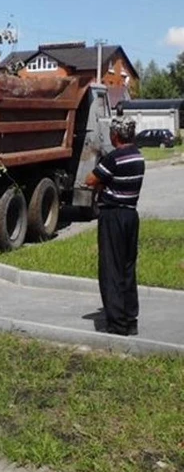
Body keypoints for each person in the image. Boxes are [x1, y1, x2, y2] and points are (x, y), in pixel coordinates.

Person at [85, 117, 145, 336]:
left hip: (113, 217)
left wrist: (101, 180)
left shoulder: (114, 158)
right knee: (128, 268)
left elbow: (90, 180)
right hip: (131, 215)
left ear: (116, 136)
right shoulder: (138, 156)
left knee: (111, 269)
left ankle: (116, 325)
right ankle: (130, 320)